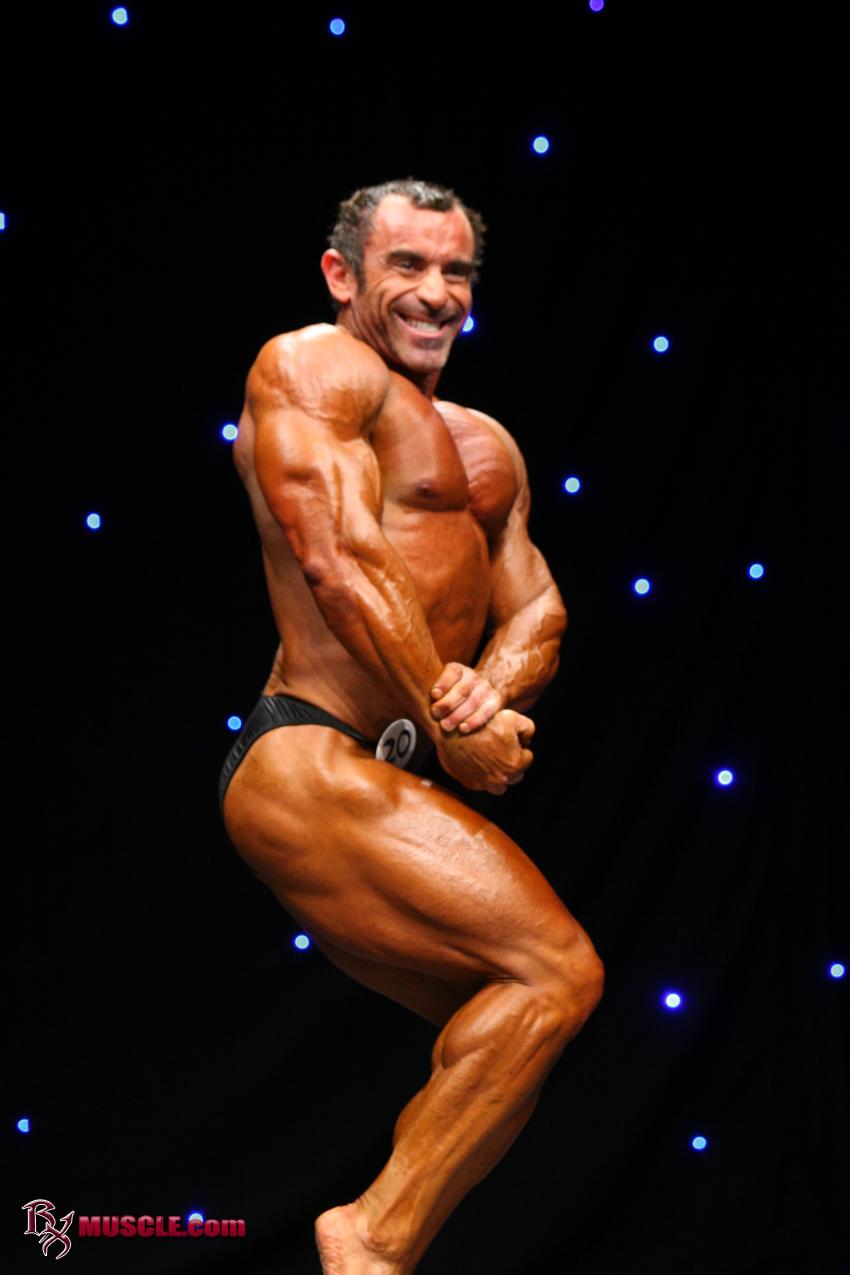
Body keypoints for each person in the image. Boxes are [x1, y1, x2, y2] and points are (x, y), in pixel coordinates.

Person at [219, 178, 605, 1275]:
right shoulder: (311, 366)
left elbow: (539, 607)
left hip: (382, 766)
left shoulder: (488, 446)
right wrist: (448, 706)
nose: (437, 293)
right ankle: (368, 1238)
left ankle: (384, 1250)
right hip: (306, 753)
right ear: (342, 276)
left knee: (509, 1023)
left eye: (456, 271)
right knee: (556, 972)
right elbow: (337, 557)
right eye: (408, 266)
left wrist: (487, 691)